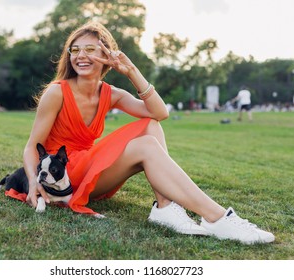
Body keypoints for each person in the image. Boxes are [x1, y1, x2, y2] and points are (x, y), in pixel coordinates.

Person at [19, 22, 274, 244]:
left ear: (107, 54)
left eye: (89, 49)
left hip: (88, 164)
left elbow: (159, 112)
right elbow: (33, 146)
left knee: (151, 125)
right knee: (147, 145)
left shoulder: (111, 93)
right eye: (74, 50)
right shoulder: (57, 92)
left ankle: (164, 207)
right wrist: (33, 183)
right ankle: (217, 217)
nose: (80, 56)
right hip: (61, 174)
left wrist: (131, 71)